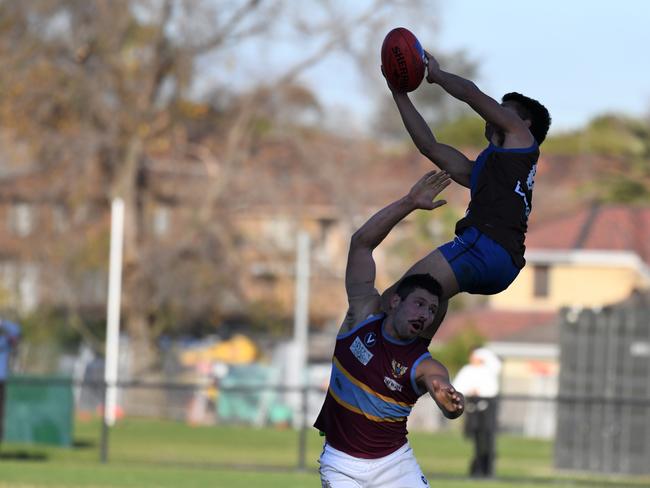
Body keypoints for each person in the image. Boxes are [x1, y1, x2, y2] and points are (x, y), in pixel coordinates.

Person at [314, 170, 465, 487]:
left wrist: (448, 399)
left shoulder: (422, 362)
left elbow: (439, 385)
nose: (425, 314)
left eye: (433, 310)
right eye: (420, 304)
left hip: (395, 466)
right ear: (394, 301)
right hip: (341, 465)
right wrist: (410, 202)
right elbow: (361, 245)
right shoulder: (362, 317)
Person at [384, 50, 551, 320]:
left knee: (393, 302)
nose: (494, 111)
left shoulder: (522, 138)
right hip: (500, 262)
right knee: (423, 309)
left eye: (502, 108)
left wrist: (437, 76)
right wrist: (398, 93)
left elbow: (472, 95)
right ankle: (416, 360)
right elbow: (430, 146)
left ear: (524, 123)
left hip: (485, 247)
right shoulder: (490, 169)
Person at [453, 347, 502, 478]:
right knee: (477, 439)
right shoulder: (467, 370)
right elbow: (458, 386)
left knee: (488, 439)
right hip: (473, 407)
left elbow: (496, 364)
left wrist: (483, 354)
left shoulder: (489, 370)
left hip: (488, 407)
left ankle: (488, 469)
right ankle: (477, 469)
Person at [0, 318, 21, 442]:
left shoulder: (5, 341)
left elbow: (17, 331)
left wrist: (3, 322)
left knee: (2, 409)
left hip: (2, 379)